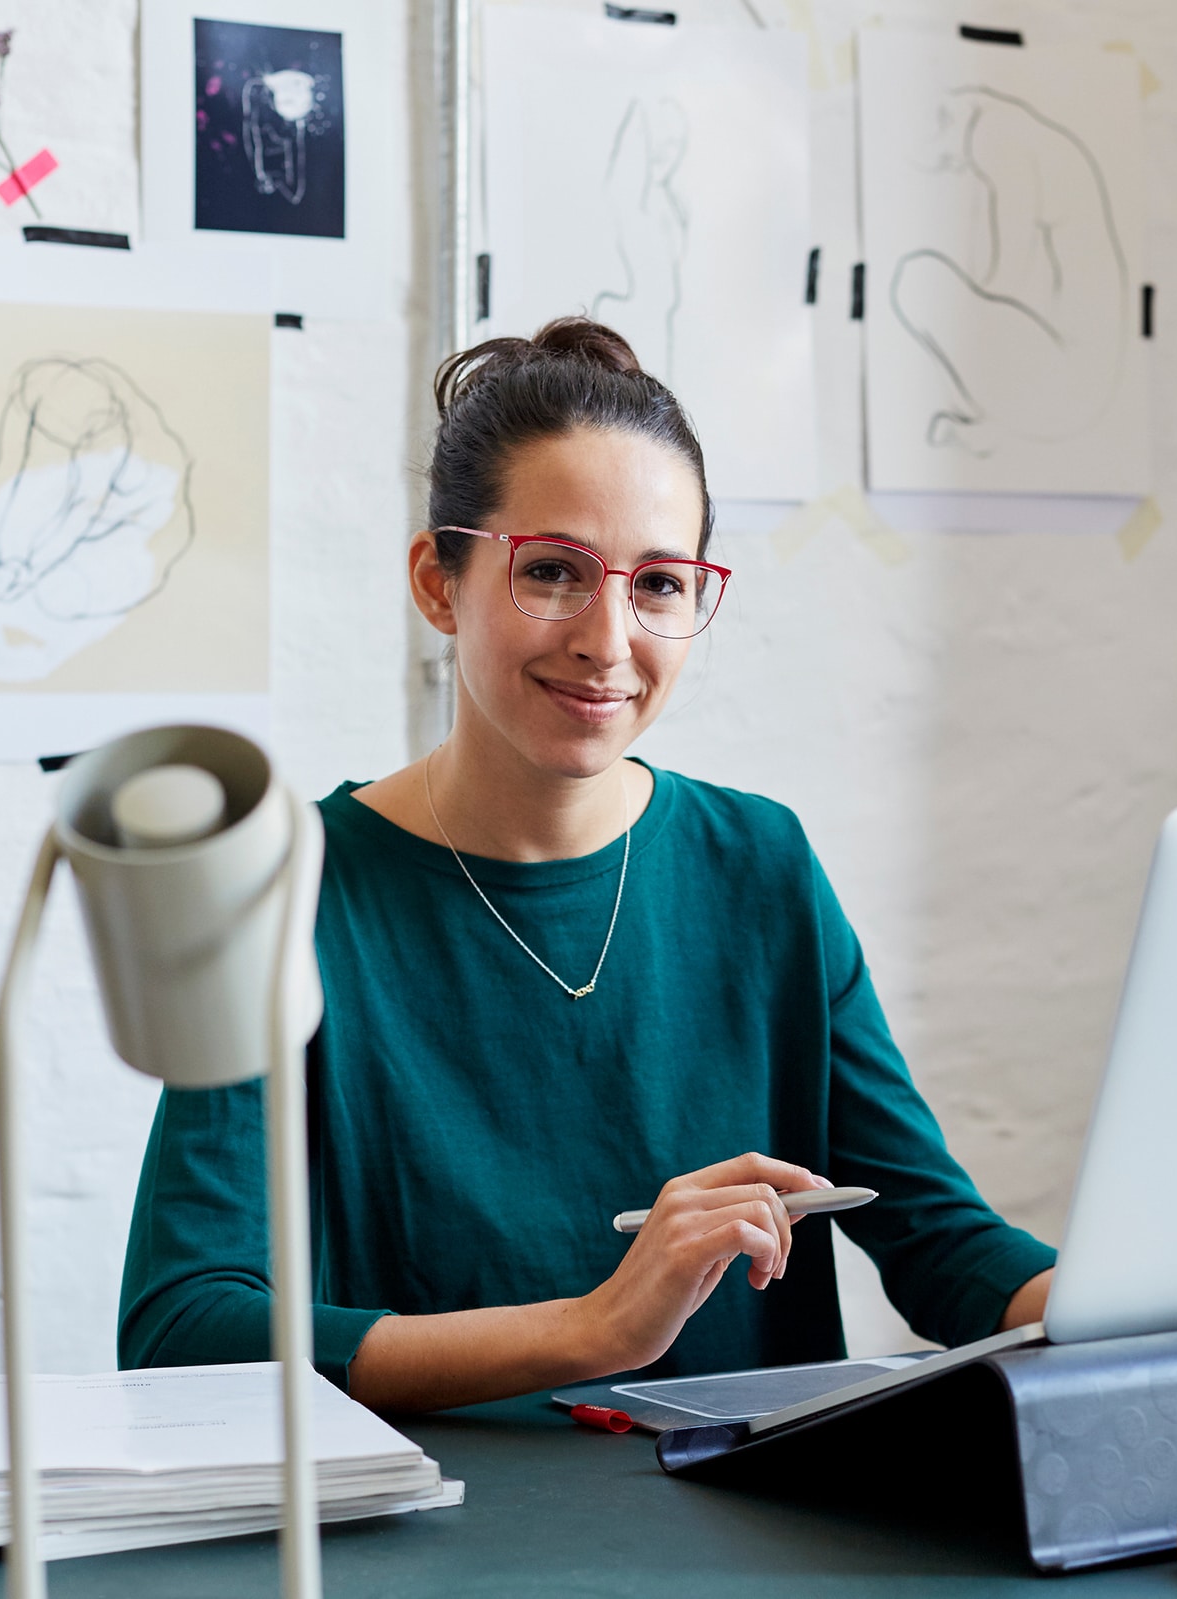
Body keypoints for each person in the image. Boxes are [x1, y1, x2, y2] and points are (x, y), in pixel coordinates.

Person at [118, 318, 1055, 1413]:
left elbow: (940, 1243)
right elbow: (186, 1333)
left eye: (659, 584)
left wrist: (1152, 1305)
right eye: (554, 571)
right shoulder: (289, 894)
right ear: (438, 581)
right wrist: (598, 1328)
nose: (608, 639)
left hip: (748, 1545)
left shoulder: (761, 869)